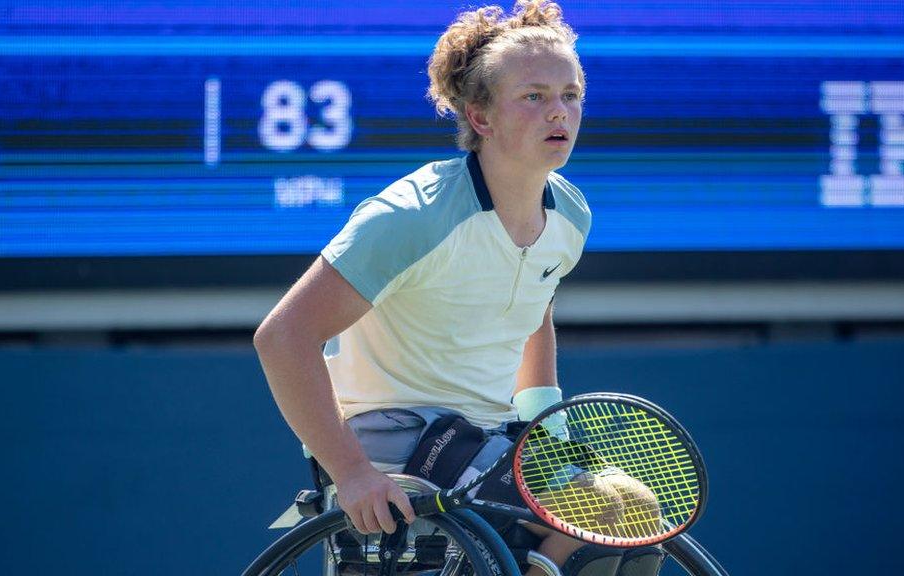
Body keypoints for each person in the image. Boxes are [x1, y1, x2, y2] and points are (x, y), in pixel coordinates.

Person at [254, 2, 663, 574]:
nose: (559, 113)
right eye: (534, 96)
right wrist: (351, 473)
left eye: (570, 95)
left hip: (488, 439)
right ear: (480, 117)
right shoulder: (411, 216)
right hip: (395, 440)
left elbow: (531, 312)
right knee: (596, 510)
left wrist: (551, 434)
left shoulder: (570, 214)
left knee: (640, 517)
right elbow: (284, 337)